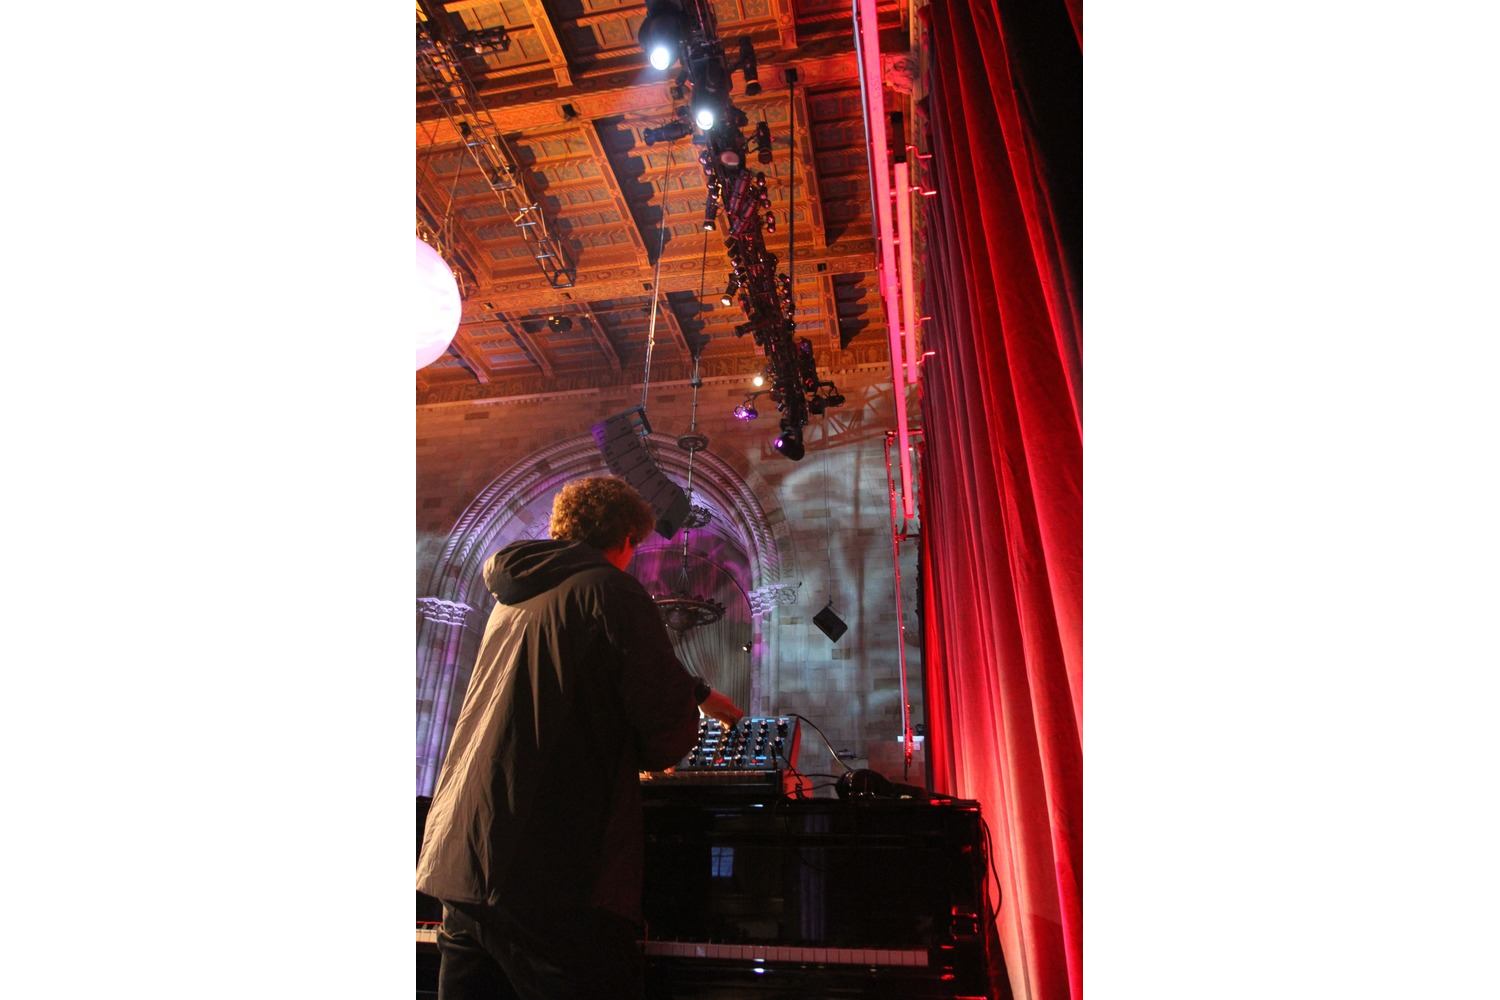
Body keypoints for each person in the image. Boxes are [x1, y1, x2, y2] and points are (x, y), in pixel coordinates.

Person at [416, 475, 745, 1000]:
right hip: (552, 874)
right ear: (626, 539)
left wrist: (699, 690)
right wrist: (684, 720)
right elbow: (664, 731)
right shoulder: (612, 588)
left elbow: (575, 662)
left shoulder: (516, 594)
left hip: (465, 862)